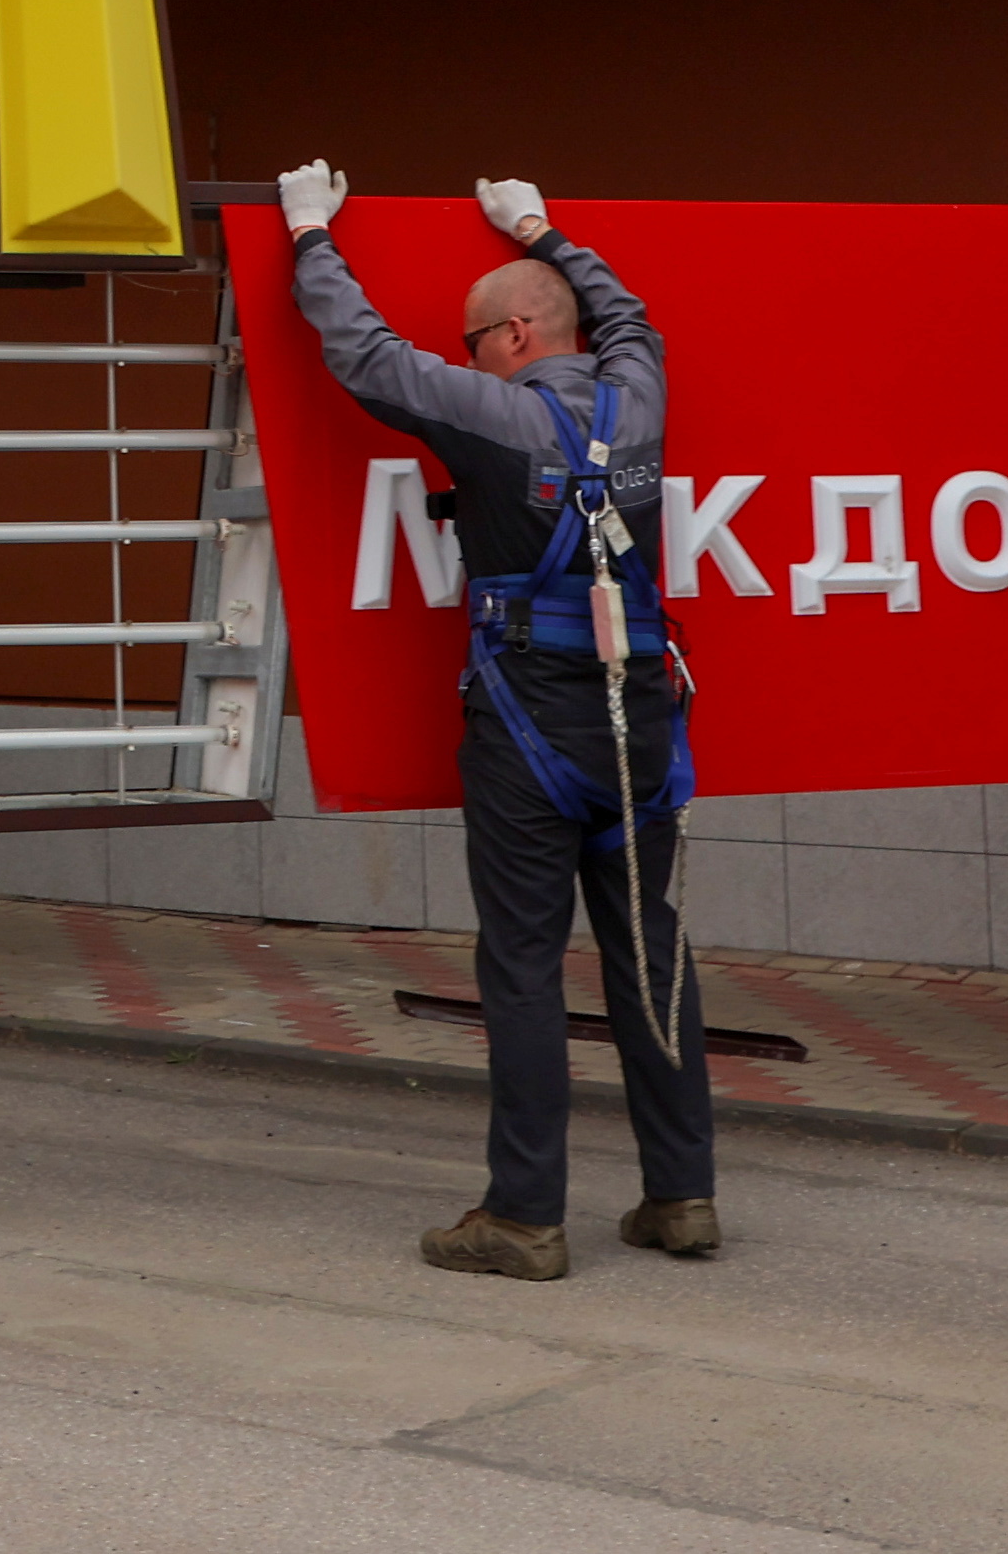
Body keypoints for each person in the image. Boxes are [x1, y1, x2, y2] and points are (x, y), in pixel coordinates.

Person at [281, 159, 715, 1279]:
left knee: (522, 964)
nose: (464, 356)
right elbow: (629, 311)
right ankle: (682, 1194)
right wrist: (541, 225)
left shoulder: (494, 416)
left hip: (527, 723)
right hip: (642, 722)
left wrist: (309, 236)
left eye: (474, 339)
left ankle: (525, 1215)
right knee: (649, 949)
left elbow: (367, 357)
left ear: (517, 335)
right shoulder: (644, 391)